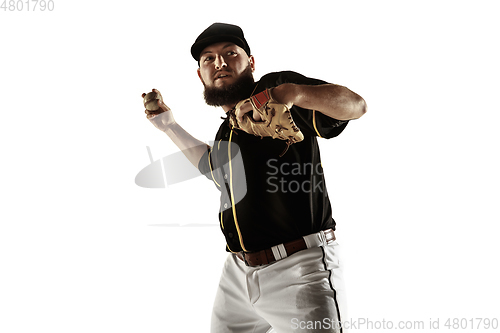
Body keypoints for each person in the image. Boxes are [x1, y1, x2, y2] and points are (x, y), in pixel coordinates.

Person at [144, 23, 366, 333]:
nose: (219, 63)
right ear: (200, 75)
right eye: (208, 59)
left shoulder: (274, 91)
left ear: (251, 62)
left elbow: (355, 105)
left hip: (299, 269)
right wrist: (169, 126)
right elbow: (212, 168)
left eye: (229, 53)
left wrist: (292, 93)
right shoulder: (227, 129)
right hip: (237, 274)